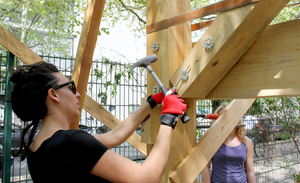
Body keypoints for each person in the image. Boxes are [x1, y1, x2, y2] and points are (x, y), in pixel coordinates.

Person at [10, 61, 187, 183]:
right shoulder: (72, 142)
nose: (78, 94)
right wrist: (169, 118)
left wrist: (151, 103)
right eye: (71, 87)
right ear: (53, 94)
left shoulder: (39, 147)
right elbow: (146, 178)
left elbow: (114, 136)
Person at [202, 104, 256, 183]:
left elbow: (250, 171)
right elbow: (205, 168)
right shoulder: (212, 141)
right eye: (220, 118)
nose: (224, 121)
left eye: (227, 117)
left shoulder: (246, 142)